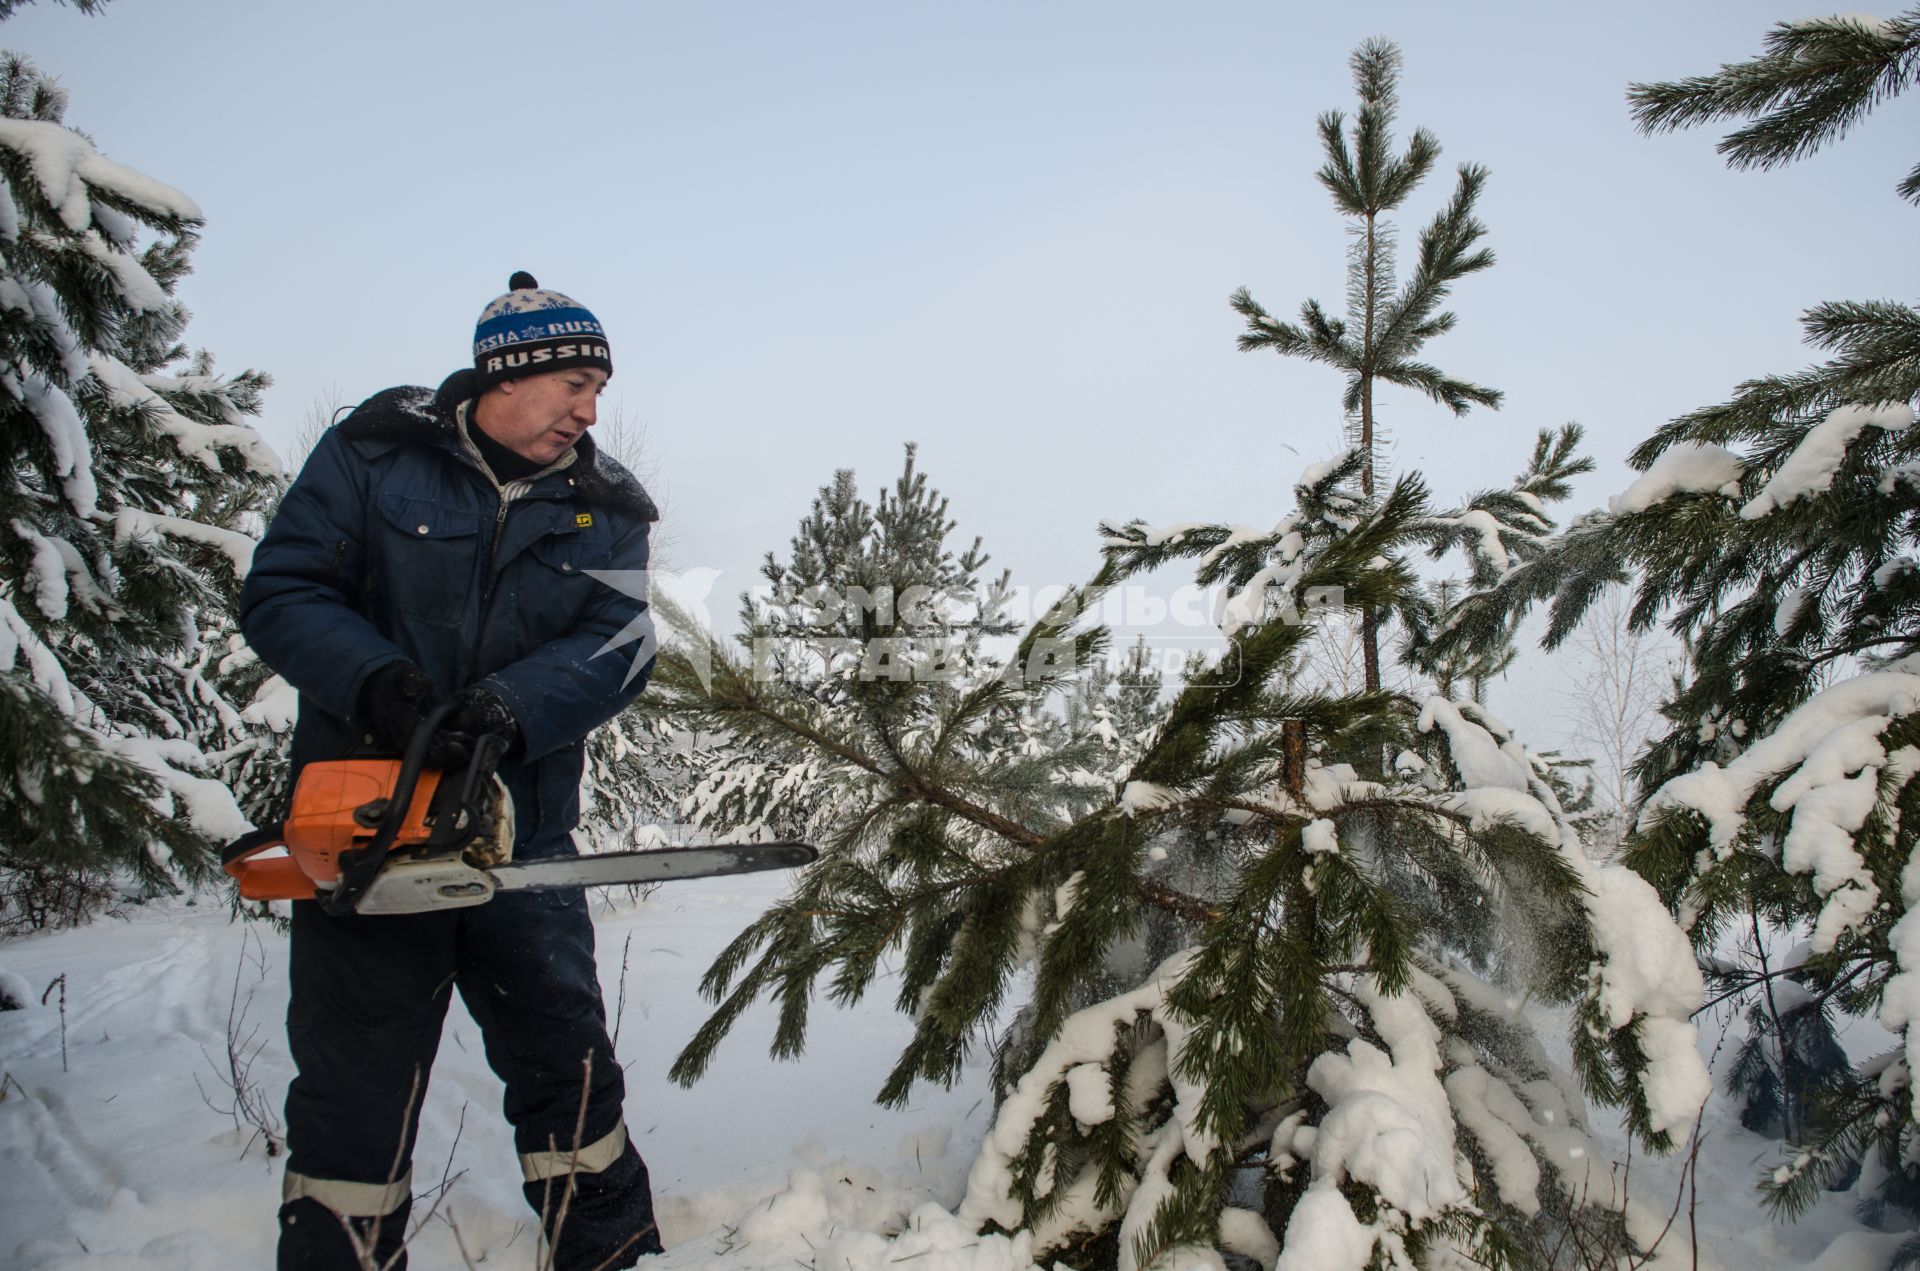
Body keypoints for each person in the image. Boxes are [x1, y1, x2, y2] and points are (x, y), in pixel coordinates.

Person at [240, 272, 664, 1269]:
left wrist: (509, 708)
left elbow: (621, 643)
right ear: (506, 373)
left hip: (524, 832)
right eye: (574, 380)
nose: (590, 409)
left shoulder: (606, 509)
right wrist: (377, 681)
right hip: (372, 832)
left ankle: (608, 1249)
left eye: (600, 387)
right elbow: (284, 588)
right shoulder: (375, 456)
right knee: (355, 1081)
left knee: (567, 1059)